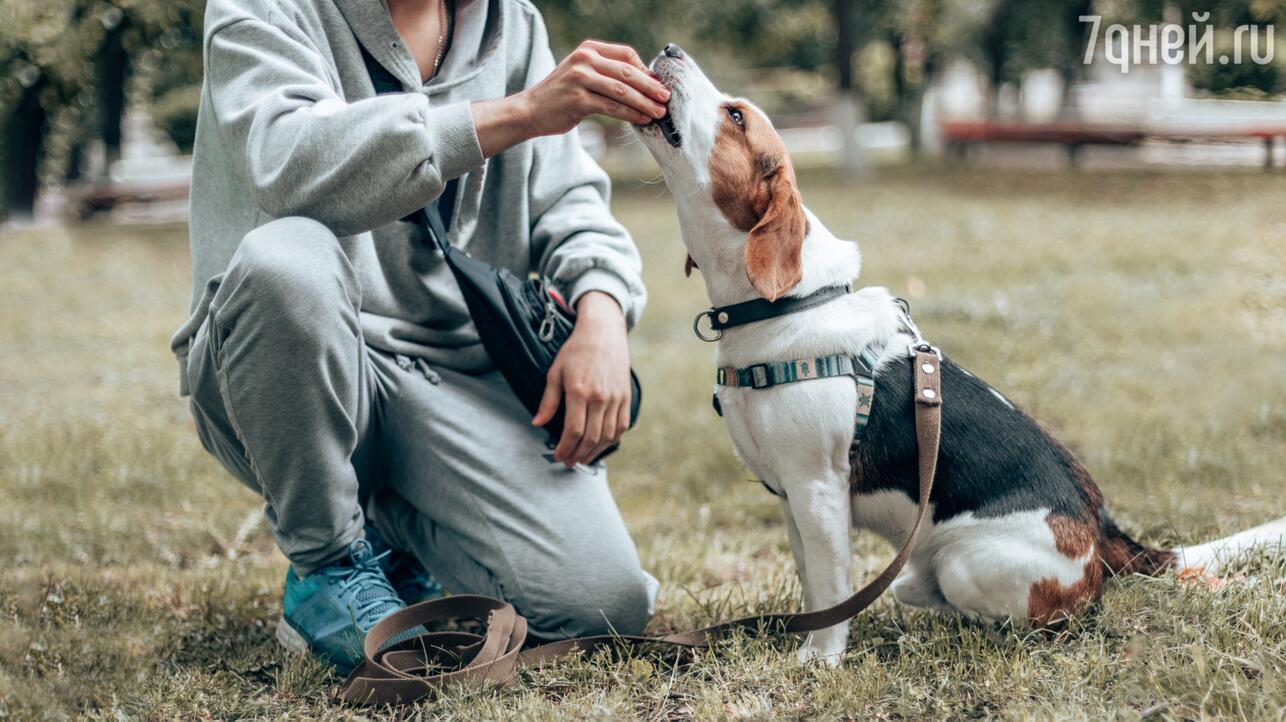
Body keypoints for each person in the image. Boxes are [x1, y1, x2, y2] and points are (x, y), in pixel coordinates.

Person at [169, 0, 672, 673]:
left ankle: (399, 537)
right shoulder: (259, 9)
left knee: (602, 606)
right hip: (290, 360)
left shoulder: (510, 23)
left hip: (451, 380)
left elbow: (568, 199)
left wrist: (603, 310)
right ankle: (329, 567)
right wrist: (521, 112)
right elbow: (287, 159)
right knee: (284, 261)